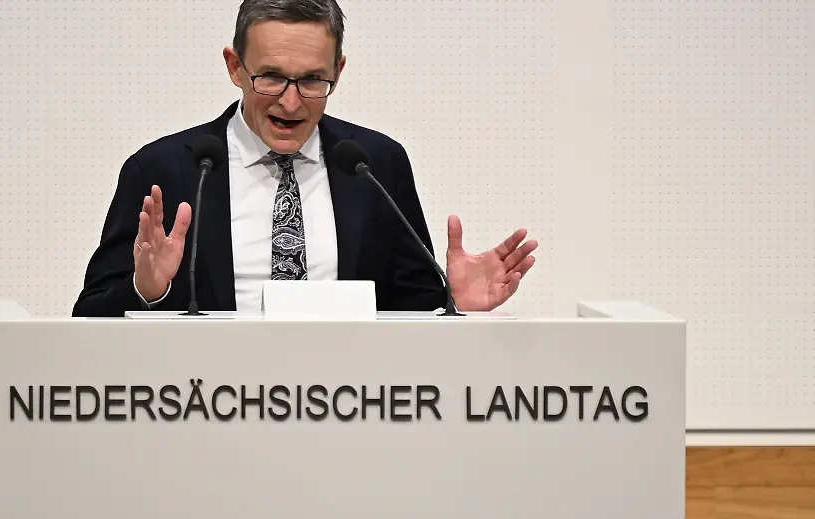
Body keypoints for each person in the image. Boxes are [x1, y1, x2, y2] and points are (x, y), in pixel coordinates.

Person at [72, 0, 537, 317]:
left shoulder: (376, 165)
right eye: (271, 77)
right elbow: (90, 316)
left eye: (313, 79)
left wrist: (452, 306)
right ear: (235, 67)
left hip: (347, 410)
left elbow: (411, 313)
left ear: (339, 71)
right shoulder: (164, 170)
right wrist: (146, 290)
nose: (291, 103)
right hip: (205, 409)